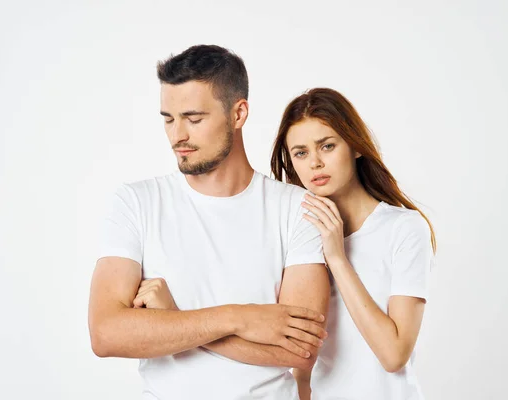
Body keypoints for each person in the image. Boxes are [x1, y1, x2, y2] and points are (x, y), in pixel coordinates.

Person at [88, 45, 330, 400]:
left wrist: (172, 319)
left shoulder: (298, 209)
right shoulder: (136, 202)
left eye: (194, 118)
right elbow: (106, 333)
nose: (177, 136)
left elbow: (300, 351)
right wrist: (238, 317)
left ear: (238, 113)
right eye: (168, 119)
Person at [271, 88, 436, 400]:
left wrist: (337, 258)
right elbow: (302, 362)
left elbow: (394, 355)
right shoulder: (298, 237)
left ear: (356, 147)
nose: (315, 163)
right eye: (301, 153)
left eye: (327, 146)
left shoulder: (404, 228)